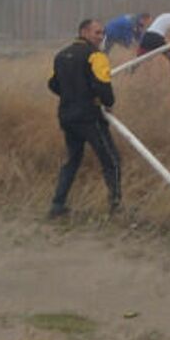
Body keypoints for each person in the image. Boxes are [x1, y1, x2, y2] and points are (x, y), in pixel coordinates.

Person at [47, 18, 121, 219]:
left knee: (72, 161)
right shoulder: (96, 56)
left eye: (102, 33)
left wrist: (72, 95)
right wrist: (107, 102)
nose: (101, 37)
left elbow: (53, 84)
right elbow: (103, 86)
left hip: (67, 116)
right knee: (112, 161)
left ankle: (57, 205)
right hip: (89, 118)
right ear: (84, 32)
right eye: (97, 33)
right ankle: (116, 207)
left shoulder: (61, 55)